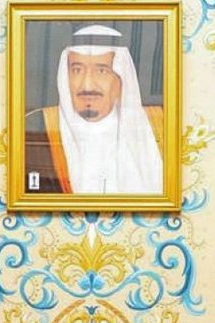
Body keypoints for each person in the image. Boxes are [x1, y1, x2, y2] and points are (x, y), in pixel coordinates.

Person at [21, 24, 164, 195]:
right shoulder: (38, 126)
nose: (87, 85)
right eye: (77, 70)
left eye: (101, 71)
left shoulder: (159, 127)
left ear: (121, 78)